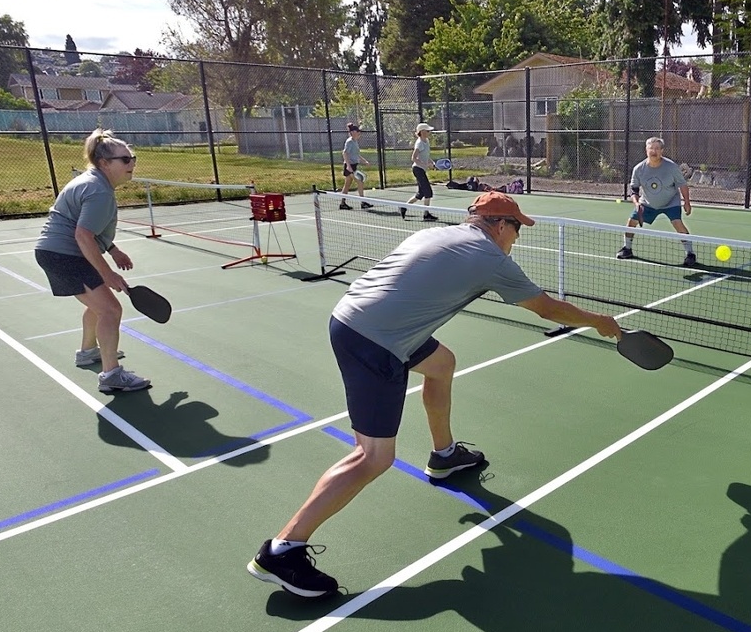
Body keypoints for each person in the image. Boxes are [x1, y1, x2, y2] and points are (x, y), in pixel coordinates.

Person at [248, 191, 622, 598]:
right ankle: (283, 550)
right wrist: (598, 320)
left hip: (357, 317)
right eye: (516, 229)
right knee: (373, 457)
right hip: (376, 340)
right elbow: (546, 309)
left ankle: (444, 456)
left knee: (441, 364)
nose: (517, 237)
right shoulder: (489, 256)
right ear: (499, 225)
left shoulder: (435, 234)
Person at [33, 128, 150, 394]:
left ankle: (87, 352)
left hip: (57, 253)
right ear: (104, 163)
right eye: (124, 159)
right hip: (66, 255)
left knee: (99, 305)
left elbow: (87, 227)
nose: (131, 164)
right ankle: (111, 376)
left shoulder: (92, 181)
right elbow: (83, 235)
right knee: (111, 310)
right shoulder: (99, 191)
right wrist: (107, 273)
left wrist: (112, 249)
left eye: (133, 157)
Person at [616, 137, 696, 267]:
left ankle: (690, 254)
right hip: (648, 203)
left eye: (657, 148)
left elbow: (682, 184)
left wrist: (687, 202)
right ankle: (627, 249)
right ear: (646, 150)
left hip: (671, 202)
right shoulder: (638, 169)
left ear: (662, 151)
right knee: (631, 223)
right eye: (651, 148)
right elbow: (634, 190)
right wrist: (637, 205)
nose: (654, 151)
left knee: (678, 224)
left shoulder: (671, 167)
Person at [401, 122, 438, 221]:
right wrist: (426, 165)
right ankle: (426, 215)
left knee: (420, 194)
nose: (429, 132)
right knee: (428, 193)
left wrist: (432, 163)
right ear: (422, 132)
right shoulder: (419, 143)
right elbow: (413, 158)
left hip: (421, 169)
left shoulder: (426, 141)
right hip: (418, 170)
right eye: (427, 130)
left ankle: (404, 207)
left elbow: (426, 155)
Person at [339, 122, 372, 210]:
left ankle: (342, 203)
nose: (359, 133)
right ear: (353, 132)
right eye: (357, 132)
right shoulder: (349, 142)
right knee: (360, 182)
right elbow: (345, 153)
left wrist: (365, 161)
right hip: (350, 166)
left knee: (347, 185)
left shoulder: (355, 141)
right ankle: (363, 202)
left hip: (354, 165)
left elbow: (356, 154)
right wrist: (348, 166)